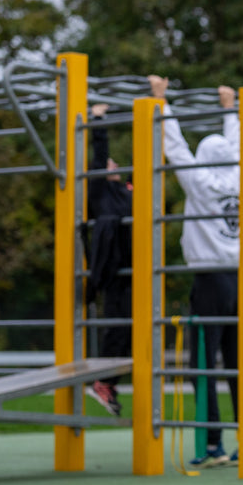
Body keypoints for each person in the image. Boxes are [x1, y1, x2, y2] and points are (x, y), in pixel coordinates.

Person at [147, 76, 240, 467]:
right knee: (238, 363)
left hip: (209, 278)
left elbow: (175, 147)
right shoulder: (239, 174)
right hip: (240, 277)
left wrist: (160, 101)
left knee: (203, 363)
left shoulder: (200, 180)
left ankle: (212, 443)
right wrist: (230, 108)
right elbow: (237, 145)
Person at [84, 102, 133, 416]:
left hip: (137, 268)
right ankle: (104, 381)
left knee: (131, 328)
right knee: (119, 325)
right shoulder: (100, 190)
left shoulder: (127, 191)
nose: (113, 164)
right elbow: (100, 156)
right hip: (116, 269)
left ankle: (110, 382)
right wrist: (97, 120)